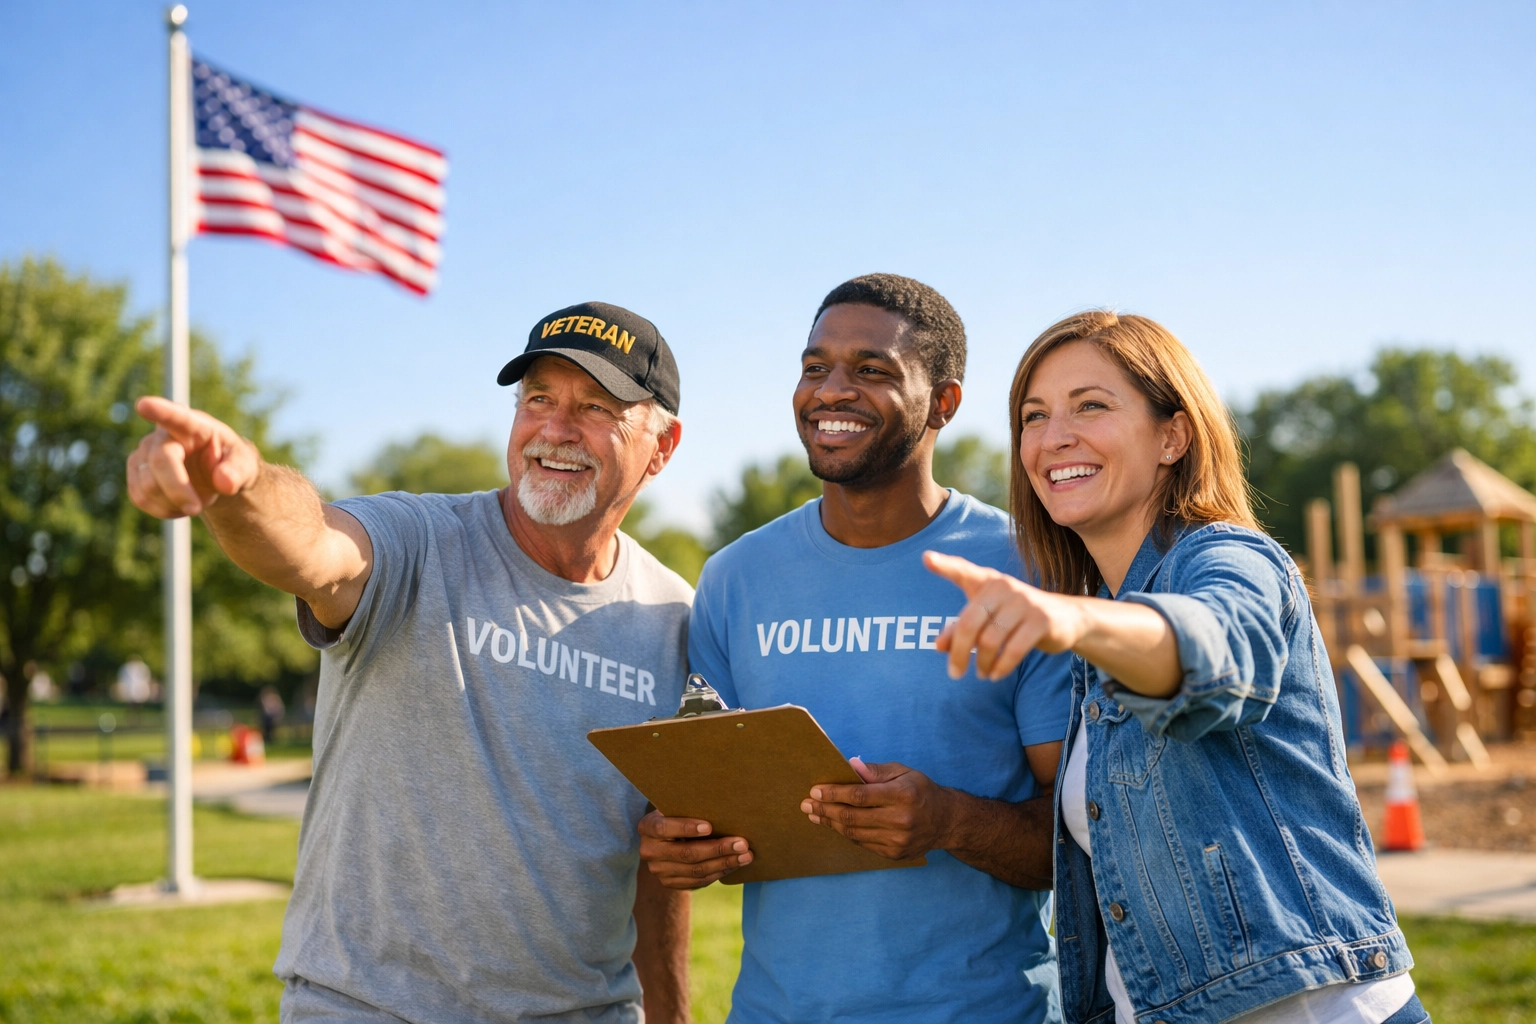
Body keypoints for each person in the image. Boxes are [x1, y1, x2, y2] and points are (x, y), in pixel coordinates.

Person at [127, 302, 695, 1024]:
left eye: (595, 408)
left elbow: (658, 853)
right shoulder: (421, 541)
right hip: (370, 1007)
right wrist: (237, 488)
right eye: (537, 400)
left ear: (661, 446)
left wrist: (672, 1016)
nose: (554, 429)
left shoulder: (671, 616)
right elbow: (314, 546)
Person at [926, 311, 1428, 1024]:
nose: (1053, 437)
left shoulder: (1227, 558)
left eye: (1090, 405)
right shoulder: (1100, 613)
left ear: (1173, 435)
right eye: (1033, 417)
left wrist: (1072, 621)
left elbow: (1216, 645)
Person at [639, 274, 1073, 1023]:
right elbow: (706, 800)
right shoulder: (736, 578)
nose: (831, 391)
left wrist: (949, 822)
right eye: (815, 368)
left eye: (871, 370)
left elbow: (1077, 841)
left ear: (944, 403)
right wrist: (682, 842)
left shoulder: (1029, 571)